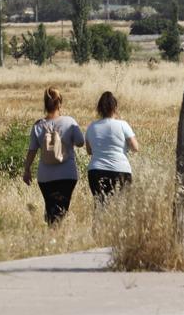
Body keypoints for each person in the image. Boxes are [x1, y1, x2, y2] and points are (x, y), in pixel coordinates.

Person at [22, 86, 85, 224]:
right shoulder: (69, 122)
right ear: (60, 103)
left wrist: (27, 170)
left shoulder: (38, 125)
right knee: (62, 210)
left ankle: (51, 234)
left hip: (45, 176)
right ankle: (57, 236)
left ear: (45, 104)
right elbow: (81, 142)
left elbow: (32, 150)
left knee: (50, 208)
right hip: (67, 174)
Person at [85, 90, 139, 205]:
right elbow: (135, 147)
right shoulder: (123, 124)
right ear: (115, 107)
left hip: (96, 171)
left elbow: (89, 151)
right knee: (120, 208)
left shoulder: (92, 127)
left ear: (99, 109)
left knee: (100, 207)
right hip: (120, 170)